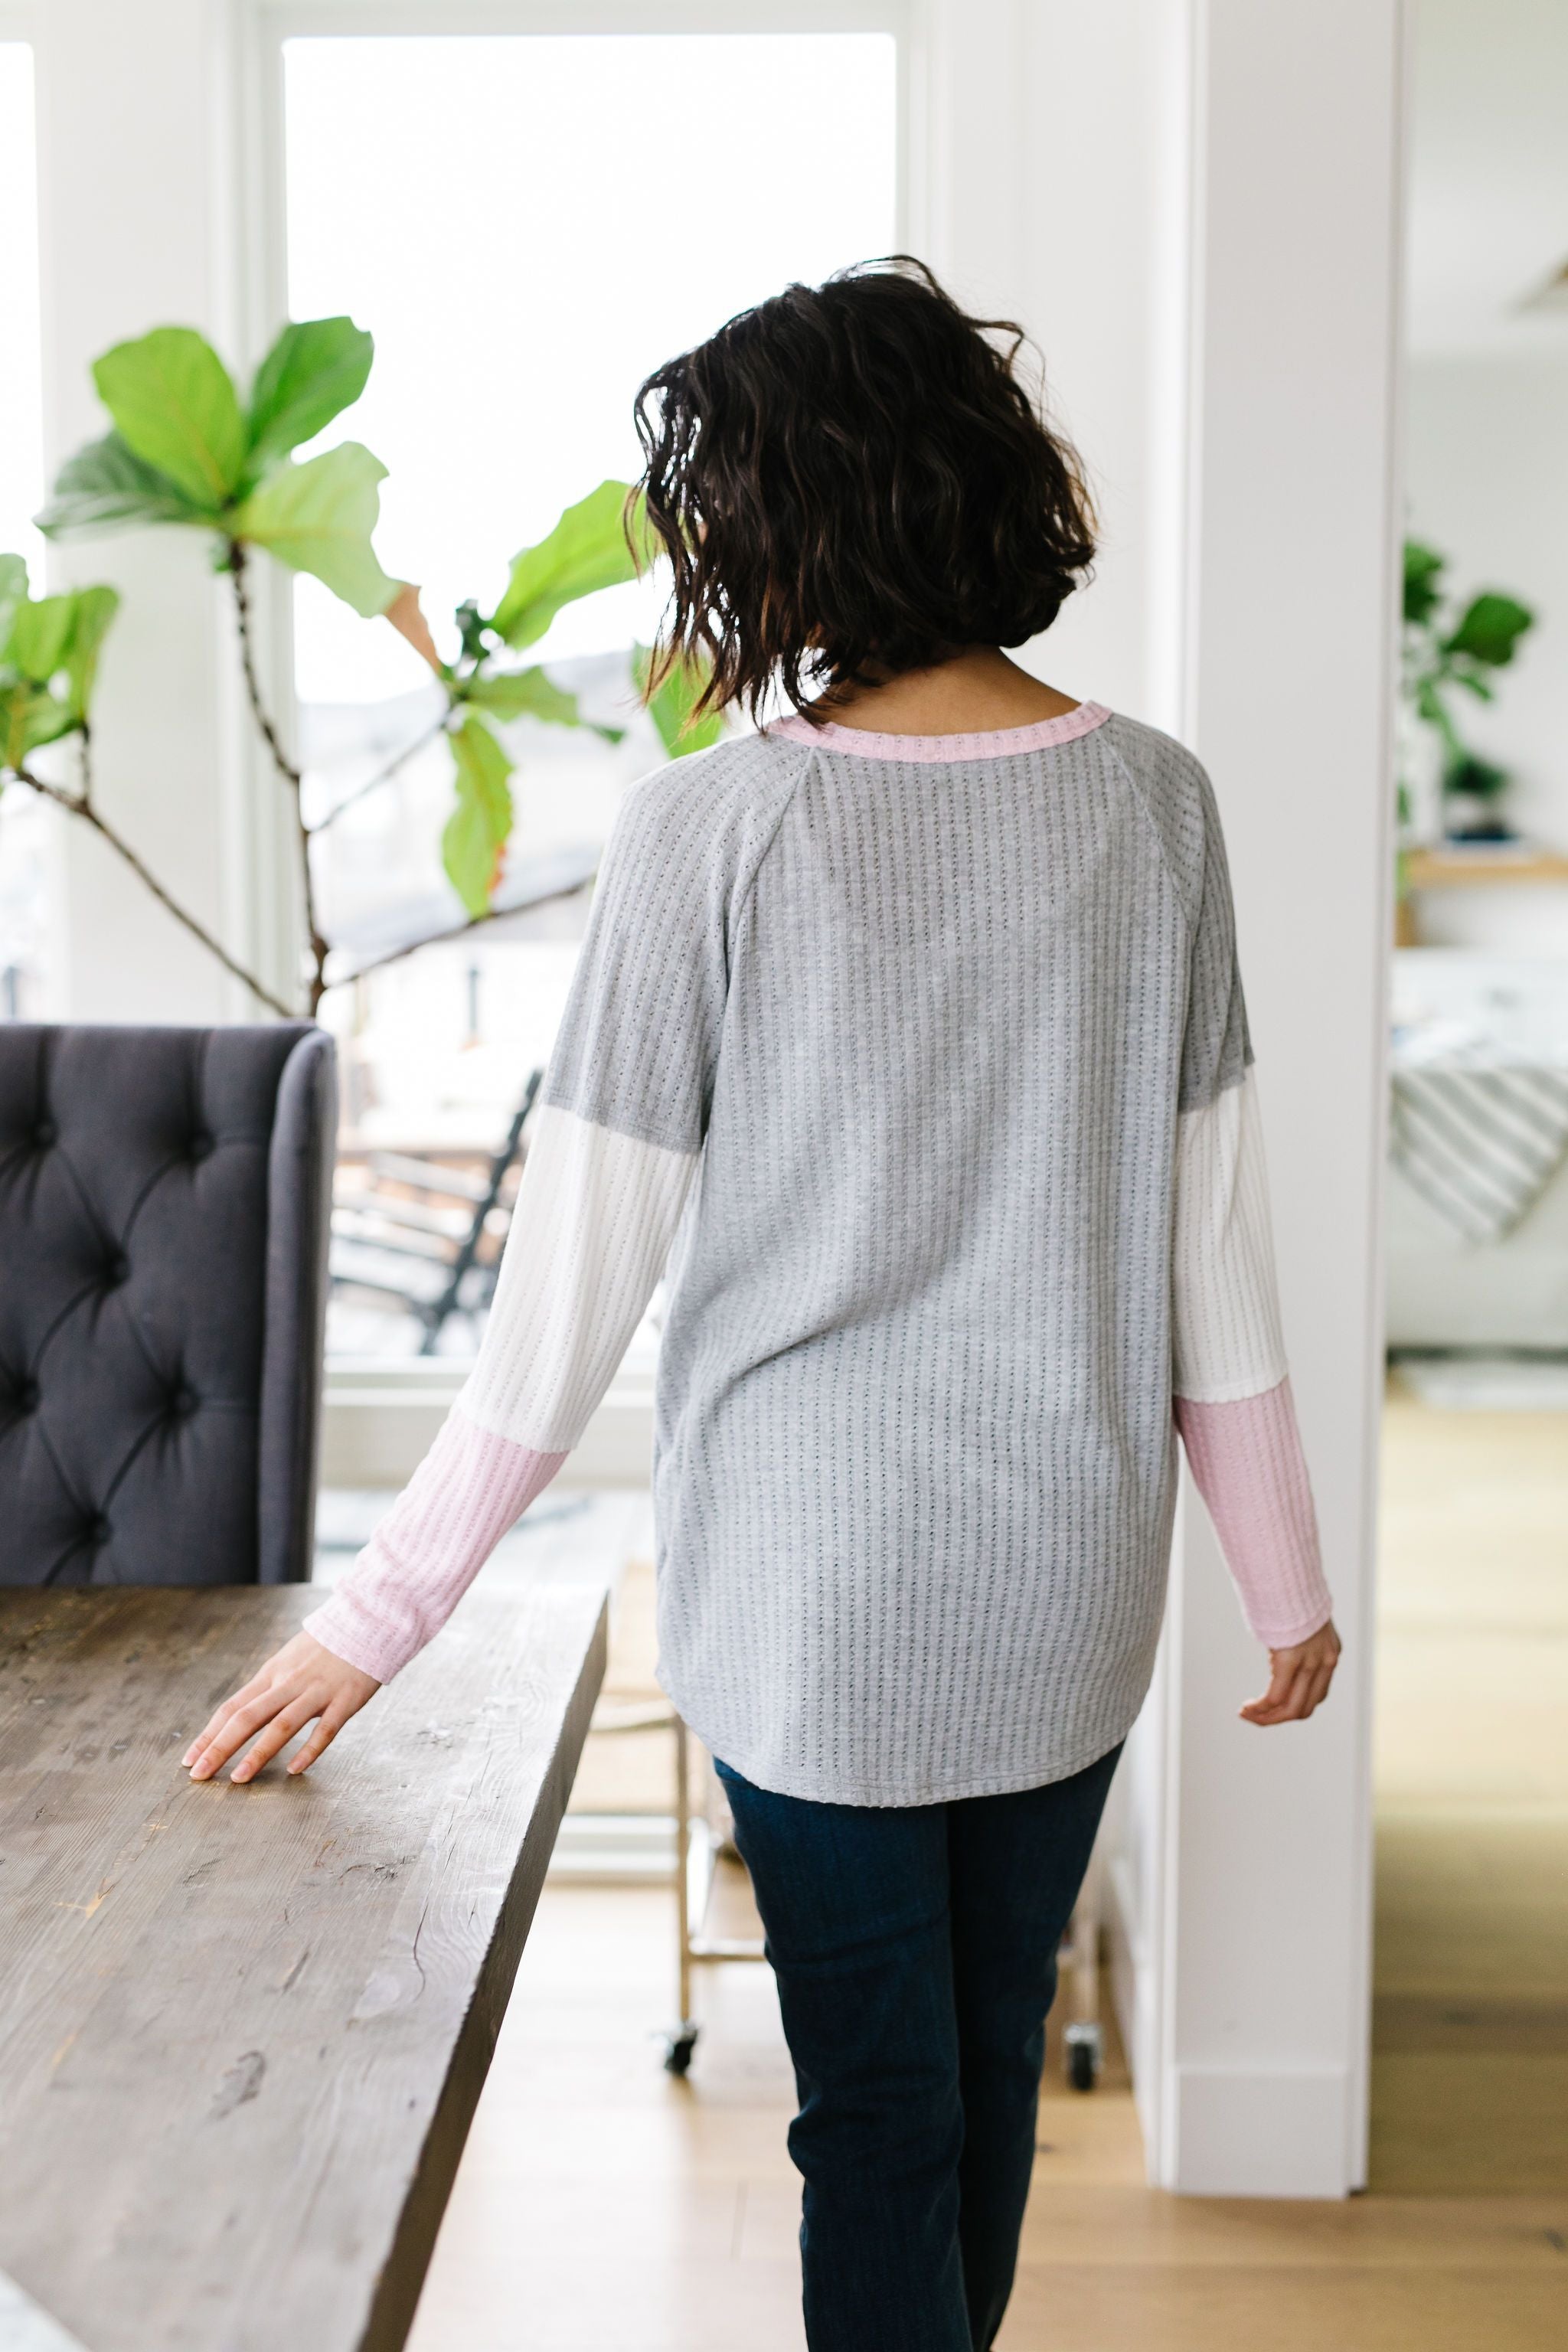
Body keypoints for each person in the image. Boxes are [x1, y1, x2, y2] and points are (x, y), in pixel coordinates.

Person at [186, 257, 1340, 2352]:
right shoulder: (1154, 803)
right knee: (982, 2078)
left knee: (883, 2111)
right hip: (1074, 1571)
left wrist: (377, 1618)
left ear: (805, 510)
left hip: (814, 1597)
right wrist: (1284, 1578)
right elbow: (1216, 1242)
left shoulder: (708, 830)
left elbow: (571, 1291)